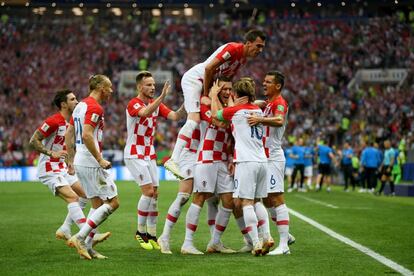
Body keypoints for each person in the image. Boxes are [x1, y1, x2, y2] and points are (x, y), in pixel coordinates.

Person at [164, 30, 267, 179]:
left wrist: (234, 101)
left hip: (208, 84)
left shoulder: (243, 59)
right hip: (196, 80)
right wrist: (206, 95)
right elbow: (209, 68)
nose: (260, 50)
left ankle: (196, 161)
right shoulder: (233, 49)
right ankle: (174, 160)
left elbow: (226, 80)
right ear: (248, 43)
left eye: (262, 47)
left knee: (206, 124)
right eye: (258, 46)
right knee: (194, 119)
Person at [123, 71, 186, 251]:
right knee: (148, 192)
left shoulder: (155, 104)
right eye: (148, 85)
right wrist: (162, 97)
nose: (152, 87)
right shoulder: (133, 103)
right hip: (134, 153)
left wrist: (189, 102)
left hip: (149, 154)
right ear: (139, 87)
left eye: (153, 85)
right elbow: (144, 113)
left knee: (155, 194)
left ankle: (152, 234)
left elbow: (175, 116)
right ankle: (140, 231)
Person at [65, 74, 120, 260]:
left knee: (96, 204)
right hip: (91, 161)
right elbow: (88, 135)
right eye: (109, 87)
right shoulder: (95, 107)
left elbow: (69, 132)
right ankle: (80, 238)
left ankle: (87, 248)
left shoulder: (80, 105)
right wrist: (99, 159)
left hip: (81, 160)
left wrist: (71, 159)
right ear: (100, 88)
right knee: (113, 202)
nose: (111, 90)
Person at [211, 78, 267, 256]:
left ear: (235, 94)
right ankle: (267, 236)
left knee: (246, 202)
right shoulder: (257, 110)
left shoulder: (235, 111)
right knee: (257, 201)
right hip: (262, 161)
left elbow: (216, 116)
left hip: (246, 161)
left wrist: (213, 96)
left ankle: (257, 243)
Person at [180, 78, 235, 255]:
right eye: (223, 89)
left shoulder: (229, 107)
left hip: (224, 160)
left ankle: (215, 242)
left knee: (228, 201)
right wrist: (211, 97)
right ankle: (187, 243)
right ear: (215, 89)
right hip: (207, 157)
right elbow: (220, 122)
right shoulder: (205, 104)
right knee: (200, 197)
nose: (227, 92)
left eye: (230, 89)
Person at [29, 90, 89, 242]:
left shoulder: (72, 123)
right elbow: (33, 140)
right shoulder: (53, 121)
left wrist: (70, 163)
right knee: (73, 197)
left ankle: (65, 228)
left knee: (85, 195)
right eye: (72, 99)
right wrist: (50, 153)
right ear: (63, 104)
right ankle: (86, 235)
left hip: (63, 168)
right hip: (49, 168)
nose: (76, 101)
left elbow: (68, 146)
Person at [247, 71, 293, 255]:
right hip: (263, 157)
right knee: (266, 199)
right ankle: (287, 235)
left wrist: (259, 119)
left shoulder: (280, 103)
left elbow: (280, 120)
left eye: (268, 82)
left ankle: (284, 245)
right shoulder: (268, 104)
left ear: (278, 86)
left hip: (273, 156)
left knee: (276, 199)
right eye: (263, 81)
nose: (263, 84)